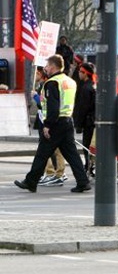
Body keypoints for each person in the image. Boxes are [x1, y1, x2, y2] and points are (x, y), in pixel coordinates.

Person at [14, 54, 92, 193]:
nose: (46, 68)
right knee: (71, 154)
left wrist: (48, 125)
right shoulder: (69, 81)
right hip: (67, 121)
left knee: (42, 153)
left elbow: (53, 107)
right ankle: (83, 181)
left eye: (48, 66)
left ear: (54, 66)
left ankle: (31, 182)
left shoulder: (52, 83)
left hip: (55, 123)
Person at [72, 61, 96, 174]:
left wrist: (78, 124)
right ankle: (89, 166)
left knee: (87, 146)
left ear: (85, 73)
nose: (78, 74)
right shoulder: (93, 85)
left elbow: (83, 108)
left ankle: (88, 166)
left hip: (88, 122)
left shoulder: (86, 88)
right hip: (93, 121)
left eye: (80, 72)